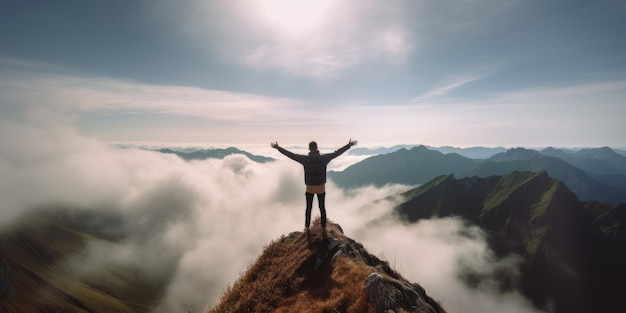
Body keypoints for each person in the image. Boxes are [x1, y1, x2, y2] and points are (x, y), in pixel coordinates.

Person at [271, 139, 357, 230]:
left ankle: (307, 227)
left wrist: (278, 148)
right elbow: (337, 153)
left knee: (309, 208)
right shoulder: (324, 159)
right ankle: (323, 226)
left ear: (309, 149)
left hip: (310, 188)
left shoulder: (305, 160)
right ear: (317, 148)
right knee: (322, 208)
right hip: (321, 187)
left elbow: (291, 155)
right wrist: (348, 145)